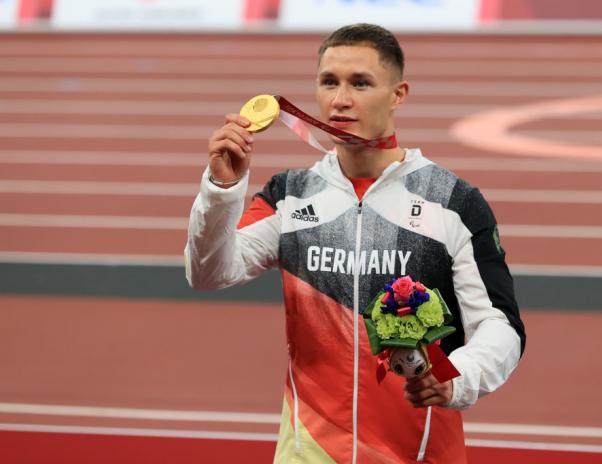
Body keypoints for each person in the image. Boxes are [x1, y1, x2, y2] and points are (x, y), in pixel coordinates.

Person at [185, 23, 525, 463]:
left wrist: (456, 378)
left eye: (360, 83)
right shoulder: (290, 195)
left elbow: (501, 327)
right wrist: (221, 189)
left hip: (419, 453)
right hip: (309, 451)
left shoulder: (452, 202)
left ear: (398, 94)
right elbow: (209, 273)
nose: (340, 99)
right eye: (329, 82)